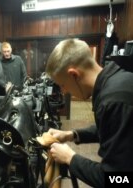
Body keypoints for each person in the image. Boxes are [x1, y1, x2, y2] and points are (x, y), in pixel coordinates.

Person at [37, 38, 133, 187]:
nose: (64, 92)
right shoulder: (116, 80)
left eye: (63, 85)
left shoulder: (114, 102)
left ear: (74, 75)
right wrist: (72, 134)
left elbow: (118, 180)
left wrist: (71, 158)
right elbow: (111, 129)